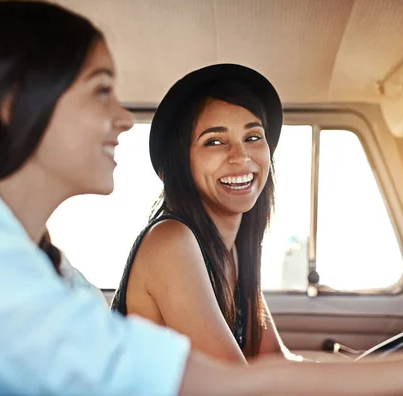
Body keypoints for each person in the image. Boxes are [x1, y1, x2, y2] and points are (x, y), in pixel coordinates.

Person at [0, 0, 403, 395]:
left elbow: (258, 370)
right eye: (100, 93)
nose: (120, 118)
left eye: (254, 138)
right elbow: (226, 386)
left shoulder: (44, 266)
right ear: (14, 108)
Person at [112, 64, 302, 362]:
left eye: (253, 137)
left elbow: (274, 360)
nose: (241, 157)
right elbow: (236, 385)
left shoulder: (234, 249)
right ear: (180, 163)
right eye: (214, 141)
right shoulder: (170, 242)